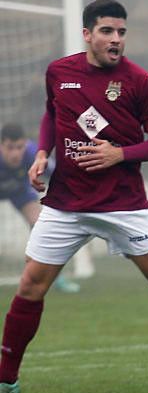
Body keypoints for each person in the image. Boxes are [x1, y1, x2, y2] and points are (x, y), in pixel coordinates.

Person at [0, 0, 148, 393]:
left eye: (122, 32)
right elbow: (50, 114)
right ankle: (7, 379)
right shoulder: (60, 72)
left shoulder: (141, 83)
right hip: (66, 203)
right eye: (107, 31)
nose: (116, 40)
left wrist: (119, 154)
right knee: (31, 285)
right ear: (87, 34)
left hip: (122, 204)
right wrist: (41, 154)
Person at [1, 123, 95, 293]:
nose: (15, 153)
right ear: (1, 145)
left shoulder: (32, 153)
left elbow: (59, 174)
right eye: (10, 148)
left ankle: (55, 279)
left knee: (40, 225)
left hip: (19, 191)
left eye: (19, 147)